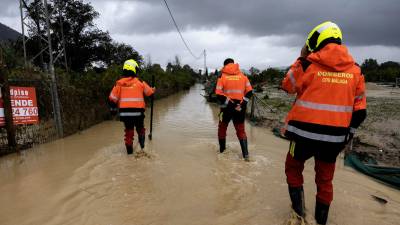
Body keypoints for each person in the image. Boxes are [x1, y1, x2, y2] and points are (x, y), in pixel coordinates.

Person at [281, 21, 367, 224]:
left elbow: (287, 86)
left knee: (293, 169)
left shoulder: (308, 64)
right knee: (325, 180)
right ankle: (320, 221)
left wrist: (301, 56)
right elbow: (360, 112)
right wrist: (348, 135)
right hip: (334, 139)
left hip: (302, 136)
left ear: (316, 40)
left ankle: (299, 215)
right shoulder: (356, 71)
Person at [109, 59, 155, 154]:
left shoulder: (118, 84)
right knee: (140, 129)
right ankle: (142, 148)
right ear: (134, 70)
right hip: (138, 113)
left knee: (129, 132)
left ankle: (129, 154)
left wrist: (113, 110)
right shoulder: (140, 82)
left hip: (125, 115)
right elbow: (150, 94)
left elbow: (112, 99)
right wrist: (153, 90)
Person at [215, 58, 253, 161]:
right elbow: (250, 92)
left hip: (226, 108)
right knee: (241, 131)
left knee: (222, 129)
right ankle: (246, 156)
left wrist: (230, 104)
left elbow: (218, 93)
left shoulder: (222, 76)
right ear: (233, 63)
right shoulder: (243, 76)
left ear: (225, 65)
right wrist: (241, 104)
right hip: (240, 108)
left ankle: (222, 152)